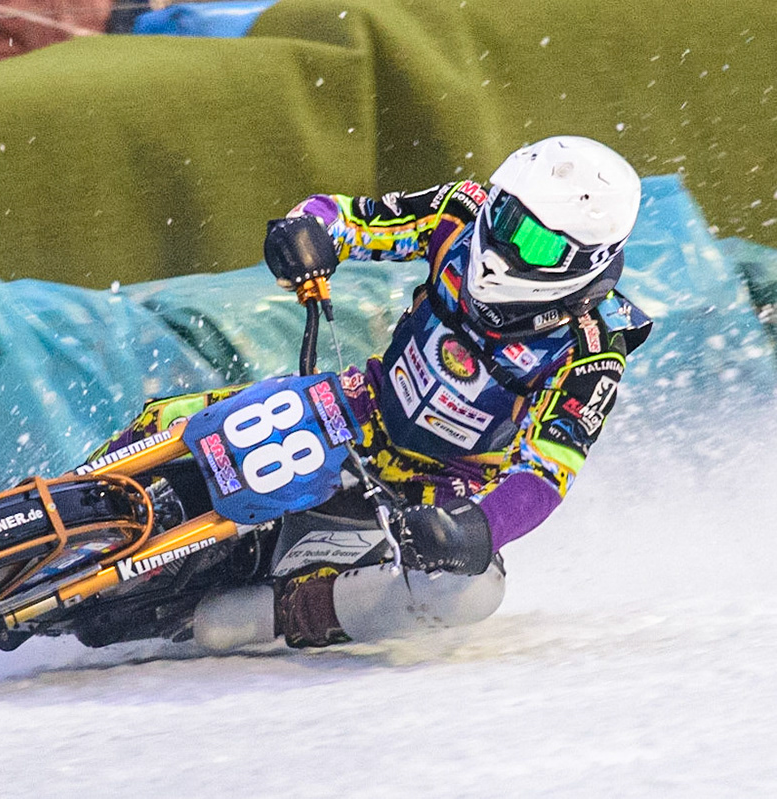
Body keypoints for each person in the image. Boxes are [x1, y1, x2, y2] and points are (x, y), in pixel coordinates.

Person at [93, 135, 652, 651]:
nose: (501, 243)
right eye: (504, 215)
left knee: (474, 591)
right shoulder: (461, 212)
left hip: (430, 495)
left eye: (532, 240)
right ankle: (59, 494)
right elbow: (350, 218)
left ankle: (268, 615)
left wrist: (476, 530)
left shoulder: (591, 352)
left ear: (586, 261)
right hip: (361, 407)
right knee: (175, 416)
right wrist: (306, 233)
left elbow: (547, 474)